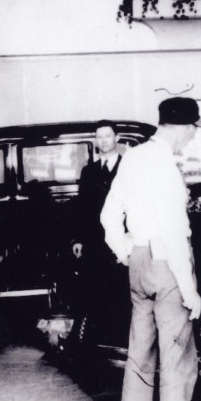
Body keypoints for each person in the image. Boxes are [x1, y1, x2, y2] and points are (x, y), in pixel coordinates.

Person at [100, 96, 201, 401]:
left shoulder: (132, 156)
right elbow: (172, 233)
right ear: (183, 128)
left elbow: (108, 215)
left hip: (138, 259)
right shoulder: (166, 167)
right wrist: (189, 290)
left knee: (140, 349)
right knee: (178, 356)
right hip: (167, 262)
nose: (192, 140)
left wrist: (126, 252)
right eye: (193, 132)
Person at [70, 121, 130, 344]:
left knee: (121, 292)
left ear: (117, 138)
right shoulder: (89, 171)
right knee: (95, 293)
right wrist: (79, 239)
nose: (103, 141)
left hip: (122, 242)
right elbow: (83, 208)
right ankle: (97, 346)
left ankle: (121, 342)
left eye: (107, 136)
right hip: (95, 242)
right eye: (99, 137)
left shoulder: (128, 168)